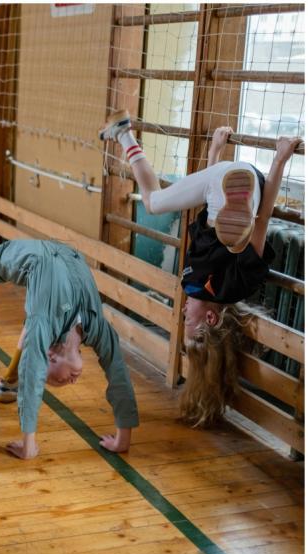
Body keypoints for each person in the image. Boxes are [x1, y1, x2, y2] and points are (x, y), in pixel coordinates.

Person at [100, 110, 302, 426]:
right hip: (250, 191)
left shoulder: (192, 282)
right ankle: (236, 227)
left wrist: (214, 152)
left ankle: (123, 132)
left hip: (221, 181)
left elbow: (209, 210)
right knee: (241, 235)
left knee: (155, 203)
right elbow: (264, 219)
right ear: (210, 317)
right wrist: (280, 160)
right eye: (189, 325)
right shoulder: (233, 286)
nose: (182, 317)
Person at [0, 240, 139, 459]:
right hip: (27, 255)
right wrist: (28, 446)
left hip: (62, 257)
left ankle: (9, 381)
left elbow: (118, 374)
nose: (72, 381)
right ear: (51, 356)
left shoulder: (51, 326)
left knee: (37, 321)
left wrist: (123, 439)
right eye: (60, 379)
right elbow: (33, 372)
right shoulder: (95, 326)